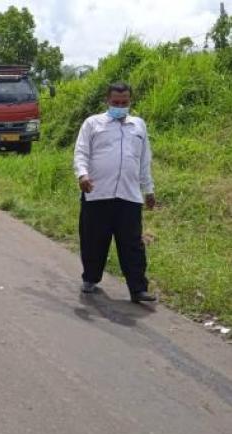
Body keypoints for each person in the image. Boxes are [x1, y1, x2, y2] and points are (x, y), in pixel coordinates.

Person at [74, 82, 157, 303]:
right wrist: (82, 175)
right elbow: (81, 152)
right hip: (96, 193)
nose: (120, 106)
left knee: (132, 244)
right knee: (93, 240)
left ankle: (138, 289)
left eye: (124, 102)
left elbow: (144, 161)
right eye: (115, 102)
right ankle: (90, 278)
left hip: (129, 196)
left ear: (130, 101)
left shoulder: (138, 125)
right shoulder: (93, 123)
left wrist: (149, 190)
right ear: (107, 101)